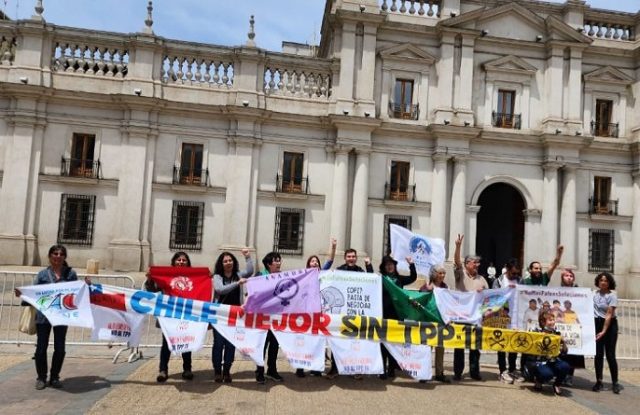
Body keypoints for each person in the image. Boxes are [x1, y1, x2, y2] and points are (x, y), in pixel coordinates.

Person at [14, 245, 79, 390]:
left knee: (60, 348)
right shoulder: (42, 275)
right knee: (41, 348)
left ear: (64, 257)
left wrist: (86, 286)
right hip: (43, 317)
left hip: (62, 316)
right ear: (50, 256)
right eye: (55, 253)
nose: (58, 256)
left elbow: (77, 292)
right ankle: (41, 377)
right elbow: (33, 292)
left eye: (61, 254)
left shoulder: (71, 274)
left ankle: (55, 377)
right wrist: (22, 294)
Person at [144, 252, 194, 383]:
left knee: (185, 341)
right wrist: (150, 280)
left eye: (184, 260)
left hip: (185, 314)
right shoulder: (166, 276)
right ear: (174, 262)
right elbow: (152, 291)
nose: (181, 262)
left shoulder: (193, 277)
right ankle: (163, 370)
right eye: (179, 260)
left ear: (188, 263)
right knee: (166, 343)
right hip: (169, 314)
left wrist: (205, 277)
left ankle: (187, 369)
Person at [326, 248, 373, 379]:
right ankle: (334, 369)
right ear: (345, 258)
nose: (351, 258)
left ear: (356, 258)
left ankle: (354, 369)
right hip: (341, 313)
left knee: (355, 342)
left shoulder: (360, 271)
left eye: (353, 256)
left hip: (355, 313)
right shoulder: (339, 270)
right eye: (349, 256)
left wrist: (368, 265)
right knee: (337, 341)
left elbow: (371, 280)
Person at [212, 248, 254, 383]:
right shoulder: (217, 277)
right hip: (220, 314)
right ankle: (217, 371)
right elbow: (220, 290)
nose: (228, 263)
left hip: (235, 315)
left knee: (231, 344)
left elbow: (250, 271)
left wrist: (248, 257)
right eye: (225, 261)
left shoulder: (238, 274)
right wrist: (237, 283)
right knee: (218, 344)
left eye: (230, 260)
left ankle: (227, 371)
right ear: (221, 263)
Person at [452, 234, 488, 381]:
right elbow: (456, 262)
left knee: (475, 347)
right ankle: (458, 372)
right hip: (461, 316)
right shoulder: (460, 274)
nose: (477, 265)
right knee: (459, 346)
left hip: (476, 318)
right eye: (474, 263)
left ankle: (474, 372)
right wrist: (458, 246)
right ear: (467, 264)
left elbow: (488, 299)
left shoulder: (482, 279)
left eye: (478, 263)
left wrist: (483, 295)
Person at [301, 237, 337, 378]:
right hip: (307, 312)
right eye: (312, 261)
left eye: (316, 261)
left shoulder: (322, 273)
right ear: (308, 264)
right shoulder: (303, 276)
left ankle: (317, 367)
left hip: (320, 311)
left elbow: (330, 261)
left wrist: (333, 247)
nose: (314, 262)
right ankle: (302, 367)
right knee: (308, 339)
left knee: (319, 340)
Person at [379, 255, 417, 380]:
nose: (390, 266)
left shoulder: (399, 279)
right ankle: (382, 368)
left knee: (394, 342)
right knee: (383, 342)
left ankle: (392, 368)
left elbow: (413, 277)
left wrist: (411, 264)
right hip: (384, 313)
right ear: (384, 267)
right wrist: (368, 265)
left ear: (395, 266)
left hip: (397, 314)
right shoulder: (381, 279)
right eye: (387, 265)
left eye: (392, 264)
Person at [254, 252, 284, 383]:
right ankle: (259, 371)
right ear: (268, 264)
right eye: (276, 260)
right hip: (263, 317)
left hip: (277, 316)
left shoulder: (282, 276)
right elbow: (253, 293)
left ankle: (272, 370)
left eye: (279, 260)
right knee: (262, 345)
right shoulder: (260, 276)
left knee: (274, 345)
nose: (278, 263)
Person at [492, 258, 522, 384]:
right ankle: (502, 371)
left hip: (516, 317)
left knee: (514, 345)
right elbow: (493, 297)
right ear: (507, 270)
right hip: (502, 317)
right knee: (502, 345)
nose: (515, 276)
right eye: (513, 273)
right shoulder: (498, 281)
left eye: (517, 273)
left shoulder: (521, 281)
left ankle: (512, 369)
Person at [419, 264, 450, 383]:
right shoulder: (425, 287)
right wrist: (427, 290)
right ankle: (424, 373)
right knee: (427, 348)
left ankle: (439, 372)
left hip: (441, 320)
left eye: (443, 273)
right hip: (428, 321)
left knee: (440, 348)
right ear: (434, 274)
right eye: (440, 273)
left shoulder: (445, 287)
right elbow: (420, 301)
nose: (442, 275)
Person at [529, 310, 570, 395]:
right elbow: (528, 346)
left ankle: (557, 384)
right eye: (550, 320)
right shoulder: (536, 333)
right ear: (543, 322)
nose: (553, 322)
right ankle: (539, 380)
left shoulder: (557, 334)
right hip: (538, 361)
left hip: (553, 360)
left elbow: (564, 352)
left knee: (565, 366)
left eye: (553, 320)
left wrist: (564, 342)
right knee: (547, 374)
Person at [592, 272, 621, 394]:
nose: (603, 282)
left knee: (610, 355)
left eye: (606, 280)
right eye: (601, 280)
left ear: (609, 283)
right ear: (598, 282)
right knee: (598, 355)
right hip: (596, 323)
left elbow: (609, 314)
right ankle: (599, 381)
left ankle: (615, 382)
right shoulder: (593, 294)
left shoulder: (612, 296)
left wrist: (603, 331)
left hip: (610, 326)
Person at [558, 268, 584, 387]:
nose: (569, 277)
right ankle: (559, 375)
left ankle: (569, 376)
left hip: (573, 330)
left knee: (572, 352)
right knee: (560, 352)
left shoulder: (579, 292)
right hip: (562, 328)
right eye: (566, 275)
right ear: (562, 278)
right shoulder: (557, 291)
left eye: (571, 276)